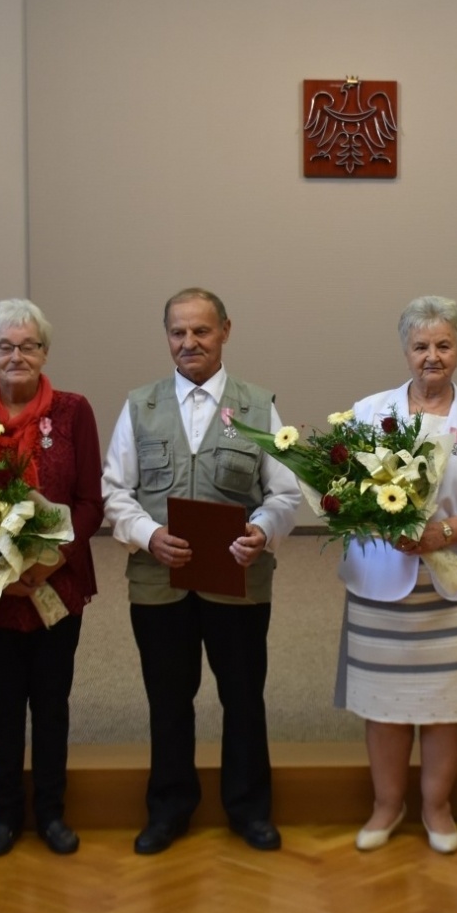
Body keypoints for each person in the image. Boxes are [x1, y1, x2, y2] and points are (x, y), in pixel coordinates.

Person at [102, 288, 300, 854]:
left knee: (243, 696)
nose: (189, 342)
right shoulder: (140, 405)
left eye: (201, 331)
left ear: (225, 332)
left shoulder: (256, 406)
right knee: (168, 700)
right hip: (158, 581)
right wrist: (148, 535)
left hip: (238, 582)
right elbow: (116, 491)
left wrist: (262, 530)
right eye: (178, 332)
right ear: (167, 336)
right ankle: (168, 809)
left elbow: (285, 493)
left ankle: (249, 809)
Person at [337, 296, 457, 854]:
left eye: (443, 345)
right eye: (421, 346)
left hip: (452, 585)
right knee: (383, 704)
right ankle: (387, 805)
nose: (432, 357)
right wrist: (375, 516)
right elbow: (340, 489)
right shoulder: (368, 413)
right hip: (382, 583)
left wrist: (445, 531)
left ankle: (437, 808)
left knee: (447, 706)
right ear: (406, 351)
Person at [0, 299, 103, 858]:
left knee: (52, 701)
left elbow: (90, 502)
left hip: (58, 582)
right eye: (5, 346)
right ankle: (6, 812)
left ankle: (52, 812)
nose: (17, 356)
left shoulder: (73, 411)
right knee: (3, 702)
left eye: (28, 345)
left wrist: (49, 561)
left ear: (44, 352)